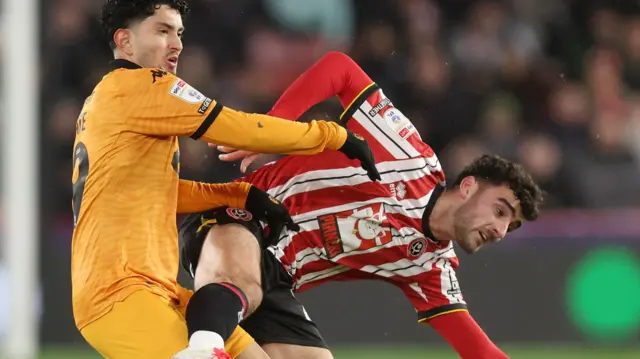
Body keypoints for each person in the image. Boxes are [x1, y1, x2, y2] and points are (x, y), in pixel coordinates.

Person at [178, 52, 544, 359]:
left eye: (508, 227)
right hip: (238, 211)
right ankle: (201, 348)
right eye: (500, 211)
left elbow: (478, 350)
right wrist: (274, 127)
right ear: (468, 187)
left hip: (276, 274)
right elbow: (339, 69)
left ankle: (201, 340)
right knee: (243, 282)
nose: (498, 231)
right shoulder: (407, 155)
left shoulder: (430, 267)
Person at [73, 1, 380, 357]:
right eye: (162, 31)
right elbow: (237, 128)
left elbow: (157, 193)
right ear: (125, 42)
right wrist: (331, 136)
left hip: (153, 289)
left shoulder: (108, 99)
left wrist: (241, 196)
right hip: (119, 295)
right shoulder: (142, 87)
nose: (177, 44)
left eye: (179, 33)